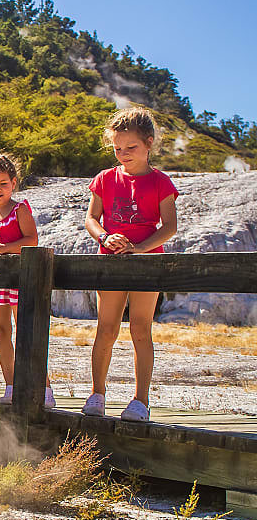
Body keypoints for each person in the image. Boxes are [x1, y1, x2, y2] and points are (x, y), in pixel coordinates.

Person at [82, 107, 178, 422]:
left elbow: (169, 227)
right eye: (117, 148)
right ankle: (97, 394)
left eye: (131, 148)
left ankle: (141, 401)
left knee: (140, 329)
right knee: (106, 328)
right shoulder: (105, 178)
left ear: (149, 143)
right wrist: (105, 238)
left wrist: (140, 249)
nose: (123, 154)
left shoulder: (161, 181)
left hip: (146, 263)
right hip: (110, 263)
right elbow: (92, 219)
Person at [0, 153, 53, 407]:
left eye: (3, 183)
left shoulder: (20, 209)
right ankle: (11, 385)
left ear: (13, 183)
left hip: (20, 279)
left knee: (27, 332)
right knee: (1, 332)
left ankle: (43, 388)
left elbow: (31, 240)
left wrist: (5, 248)